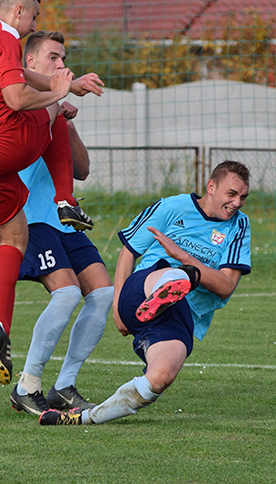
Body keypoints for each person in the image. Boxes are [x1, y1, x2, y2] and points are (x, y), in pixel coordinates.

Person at [0, 0, 104, 386]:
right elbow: (17, 98)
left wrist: (64, 87)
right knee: (55, 111)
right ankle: (65, 199)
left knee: (10, 240)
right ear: (19, 11)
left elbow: (23, 82)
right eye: (34, 14)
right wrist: (61, 93)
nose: (35, 21)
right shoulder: (4, 35)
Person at [39, 161, 252, 425]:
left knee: (161, 377)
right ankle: (172, 283)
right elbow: (129, 252)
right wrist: (117, 307)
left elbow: (225, 287)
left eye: (243, 197)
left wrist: (183, 255)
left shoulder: (239, 227)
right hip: (141, 289)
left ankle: (85, 418)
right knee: (175, 272)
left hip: (181, 316)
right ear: (211, 187)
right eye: (231, 194)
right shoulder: (173, 207)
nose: (238, 203)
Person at [8, 31, 114, 415]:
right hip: (32, 219)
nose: (61, 65)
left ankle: (64, 386)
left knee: (102, 295)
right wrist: (55, 104)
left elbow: (82, 170)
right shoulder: (19, 102)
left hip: (65, 222)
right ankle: (28, 384)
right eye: (53, 58)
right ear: (31, 64)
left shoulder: (57, 112)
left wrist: (67, 126)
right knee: (67, 294)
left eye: (63, 58)